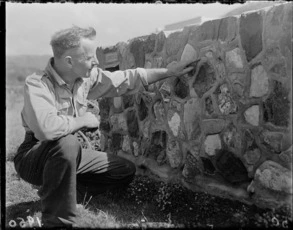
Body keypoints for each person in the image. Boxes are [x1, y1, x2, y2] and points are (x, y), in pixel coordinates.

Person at [13, 26, 198, 227]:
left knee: (123, 170)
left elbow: (127, 78)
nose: (97, 61)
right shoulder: (37, 84)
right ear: (69, 61)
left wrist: (169, 72)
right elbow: (46, 130)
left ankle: (66, 193)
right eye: (89, 57)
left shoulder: (85, 79)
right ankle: (57, 221)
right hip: (34, 156)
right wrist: (83, 120)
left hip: (69, 154)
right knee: (67, 141)